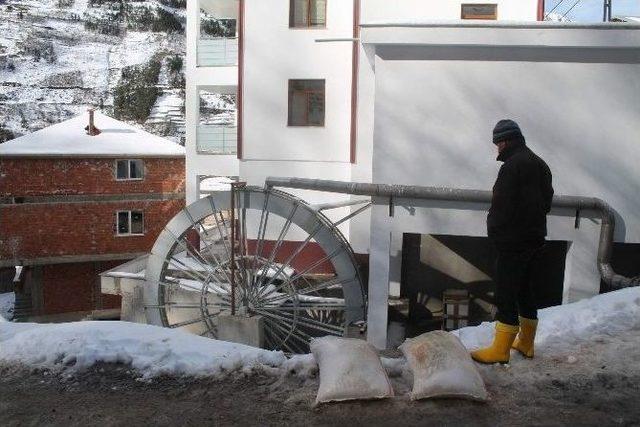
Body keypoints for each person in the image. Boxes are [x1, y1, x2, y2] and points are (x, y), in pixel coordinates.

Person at [471, 119, 554, 364]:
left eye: (497, 144)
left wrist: (494, 231)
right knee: (525, 289)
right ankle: (526, 343)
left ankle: (501, 349)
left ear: (504, 141)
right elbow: (546, 203)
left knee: (506, 292)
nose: (497, 149)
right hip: (534, 239)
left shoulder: (512, 166)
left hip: (512, 241)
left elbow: (502, 205)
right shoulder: (540, 164)